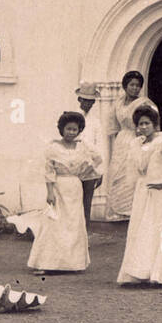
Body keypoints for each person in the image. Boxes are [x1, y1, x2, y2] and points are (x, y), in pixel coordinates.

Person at [117, 105, 162, 287]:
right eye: (140, 124)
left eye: (147, 123)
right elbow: (133, 168)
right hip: (142, 191)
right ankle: (140, 271)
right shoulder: (137, 144)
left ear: (155, 124)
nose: (143, 127)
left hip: (159, 192)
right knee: (142, 229)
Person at [28, 111, 102, 274]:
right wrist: (50, 192)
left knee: (73, 224)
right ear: (62, 129)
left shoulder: (83, 146)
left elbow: (98, 158)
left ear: (79, 130)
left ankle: (73, 264)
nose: (71, 132)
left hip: (75, 187)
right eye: (68, 129)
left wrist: (86, 172)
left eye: (75, 129)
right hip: (58, 187)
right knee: (54, 224)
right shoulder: (53, 147)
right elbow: (48, 171)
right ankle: (47, 263)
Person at [100, 70, 157, 221]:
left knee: (133, 173)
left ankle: (132, 209)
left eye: (137, 86)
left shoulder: (144, 103)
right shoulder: (118, 103)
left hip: (137, 138)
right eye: (131, 85)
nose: (135, 88)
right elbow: (112, 125)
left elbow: (153, 123)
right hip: (121, 140)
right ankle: (117, 211)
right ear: (125, 86)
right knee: (118, 173)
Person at [75, 82, 105, 222]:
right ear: (79, 99)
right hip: (73, 166)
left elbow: (100, 146)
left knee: (87, 203)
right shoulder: (72, 118)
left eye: (91, 100)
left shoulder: (96, 122)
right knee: (72, 204)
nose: (88, 103)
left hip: (90, 167)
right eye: (85, 100)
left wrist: (100, 171)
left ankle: (84, 238)